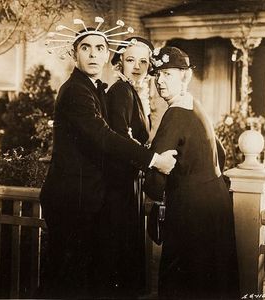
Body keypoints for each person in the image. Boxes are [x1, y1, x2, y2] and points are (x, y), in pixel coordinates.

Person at [39, 22, 177, 299]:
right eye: (85, 48)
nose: (93, 55)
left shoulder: (93, 88)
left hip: (84, 198)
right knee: (66, 281)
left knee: (78, 280)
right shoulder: (76, 91)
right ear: (74, 54)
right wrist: (153, 159)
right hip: (72, 199)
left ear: (106, 55)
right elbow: (102, 136)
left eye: (99, 48)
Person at [144, 46, 240, 299]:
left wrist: (151, 191)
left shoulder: (174, 114)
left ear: (185, 77)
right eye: (157, 75)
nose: (160, 81)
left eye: (168, 75)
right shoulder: (195, 105)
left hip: (191, 209)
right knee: (213, 278)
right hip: (216, 202)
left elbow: (155, 180)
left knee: (184, 282)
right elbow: (220, 153)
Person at [101, 37, 154, 297]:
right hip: (118, 184)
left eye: (143, 61)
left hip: (128, 180)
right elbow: (121, 136)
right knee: (119, 252)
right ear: (120, 61)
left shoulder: (132, 91)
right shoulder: (121, 91)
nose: (137, 66)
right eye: (131, 60)